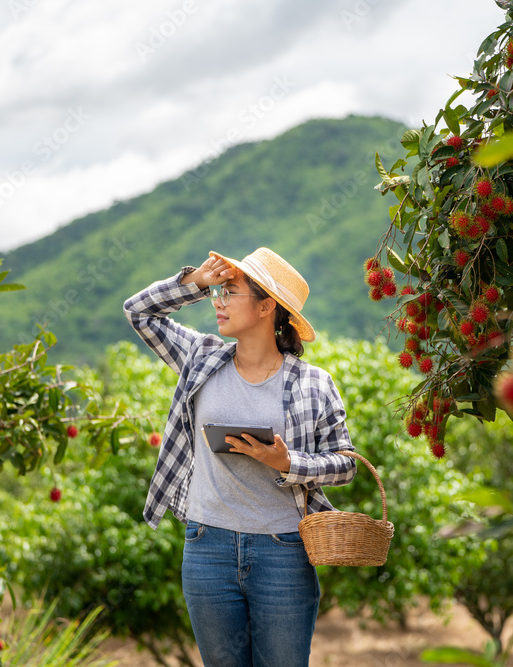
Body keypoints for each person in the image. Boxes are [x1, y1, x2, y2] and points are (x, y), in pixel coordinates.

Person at [122, 247, 357, 667]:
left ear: (267, 306)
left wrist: (289, 464)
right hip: (207, 546)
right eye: (218, 293)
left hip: (283, 552)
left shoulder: (313, 384)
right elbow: (139, 313)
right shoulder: (201, 358)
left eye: (230, 292)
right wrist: (196, 283)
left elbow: (346, 463)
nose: (219, 302)